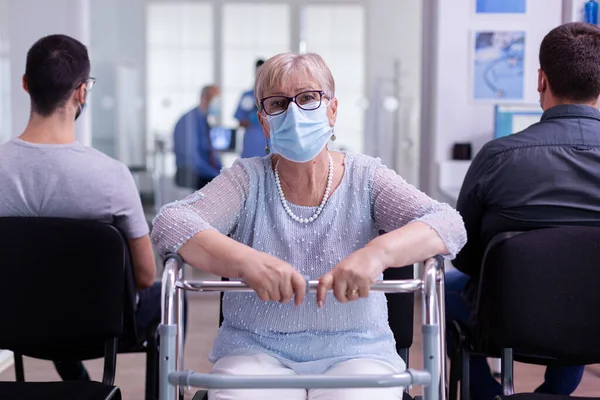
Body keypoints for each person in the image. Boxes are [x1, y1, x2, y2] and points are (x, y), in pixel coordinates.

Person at [152, 52, 467, 400]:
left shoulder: (366, 178)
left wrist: (377, 254)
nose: (294, 113)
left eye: (307, 98)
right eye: (277, 103)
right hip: (254, 351)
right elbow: (171, 221)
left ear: (332, 109)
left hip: (358, 351)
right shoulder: (247, 180)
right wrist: (245, 262)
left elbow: (448, 223)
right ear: (263, 122)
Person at [447, 22, 600, 400]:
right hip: (595, 316)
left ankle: (485, 393)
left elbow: (465, 256)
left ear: (540, 80)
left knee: (447, 288)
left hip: (507, 319)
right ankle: (556, 392)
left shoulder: (499, 157)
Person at [0, 34, 162, 381]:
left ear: (26, 84)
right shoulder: (111, 176)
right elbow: (145, 276)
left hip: (13, 323)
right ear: (82, 92)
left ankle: (77, 382)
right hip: (98, 328)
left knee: (46, 278)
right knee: (166, 297)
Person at [173, 85, 222, 190]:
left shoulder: (204, 121)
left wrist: (223, 171)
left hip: (204, 172)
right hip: (191, 174)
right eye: (216, 100)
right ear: (204, 98)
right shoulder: (187, 122)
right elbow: (191, 159)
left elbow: (211, 152)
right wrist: (215, 174)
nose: (218, 105)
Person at [234, 59, 266, 158]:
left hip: (269, 146)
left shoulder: (274, 95)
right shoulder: (247, 96)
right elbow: (240, 122)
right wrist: (253, 119)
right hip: (251, 146)